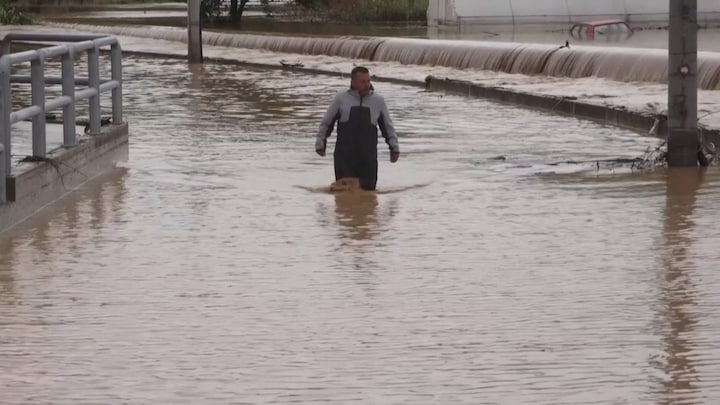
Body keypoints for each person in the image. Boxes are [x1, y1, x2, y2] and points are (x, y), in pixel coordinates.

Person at [315, 66, 400, 191]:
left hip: (368, 157)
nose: (366, 85)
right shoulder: (341, 99)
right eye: (362, 82)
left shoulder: (378, 101)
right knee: (344, 196)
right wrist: (320, 143)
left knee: (368, 196)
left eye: (368, 81)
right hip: (344, 157)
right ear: (353, 82)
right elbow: (326, 123)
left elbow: (387, 127)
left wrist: (394, 147)